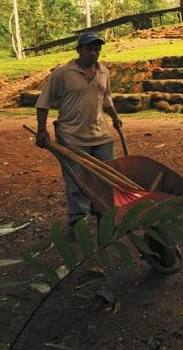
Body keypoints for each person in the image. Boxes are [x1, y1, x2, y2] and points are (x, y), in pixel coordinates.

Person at [35, 31, 122, 231]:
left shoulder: (103, 72)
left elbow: (106, 98)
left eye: (97, 49)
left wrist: (115, 117)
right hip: (71, 137)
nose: (94, 53)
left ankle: (103, 214)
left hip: (101, 136)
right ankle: (77, 222)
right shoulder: (63, 73)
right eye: (89, 49)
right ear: (79, 50)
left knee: (106, 178)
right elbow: (43, 103)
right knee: (76, 182)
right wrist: (42, 130)